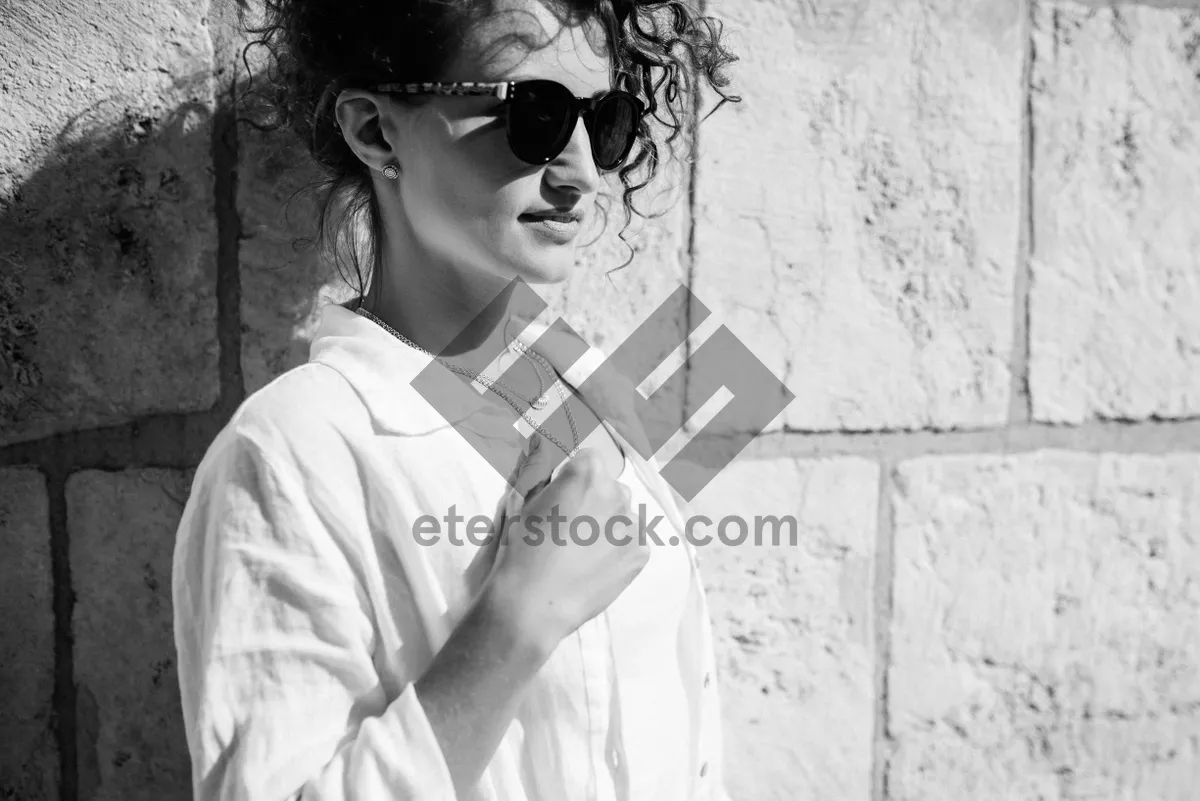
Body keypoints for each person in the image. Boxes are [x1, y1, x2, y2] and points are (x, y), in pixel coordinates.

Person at [171, 1, 740, 799]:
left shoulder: (598, 408)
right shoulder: (291, 453)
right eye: (533, 115)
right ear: (376, 132)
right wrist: (515, 622)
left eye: (603, 120)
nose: (581, 169)